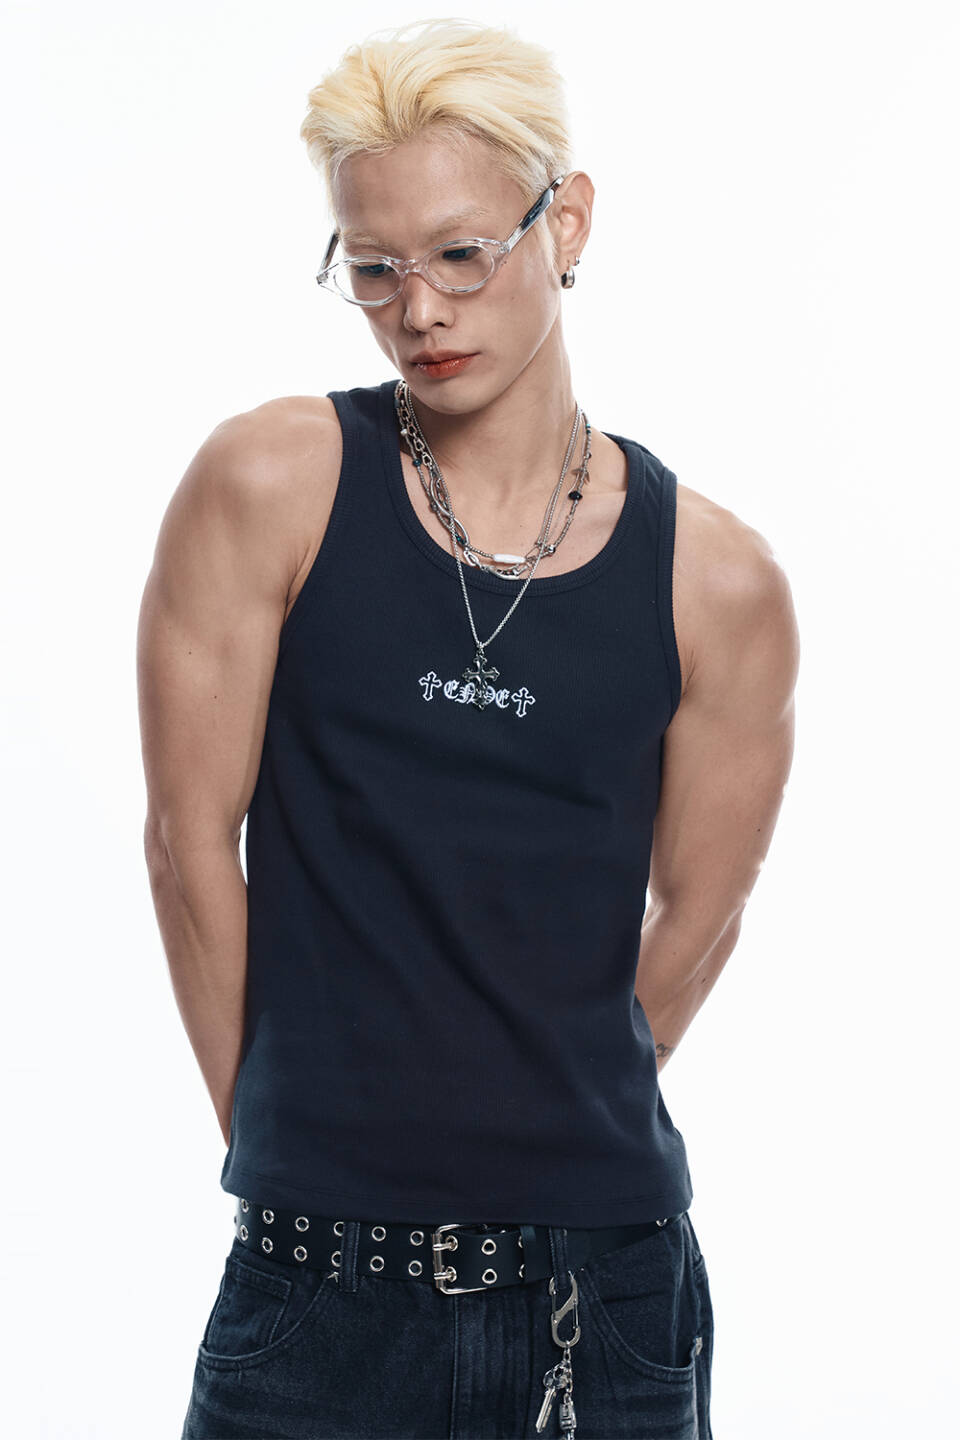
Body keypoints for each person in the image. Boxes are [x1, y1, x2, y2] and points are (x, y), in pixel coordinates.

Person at [138, 17, 799, 1440]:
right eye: (372, 267)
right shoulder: (274, 483)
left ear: (566, 223)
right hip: (313, 1283)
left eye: (460, 254)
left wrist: (546, 1106)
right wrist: (286, 1145)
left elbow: (703, 907)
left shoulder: (717, 580)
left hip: (599, 1292)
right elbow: (190, 843)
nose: (418, 311)